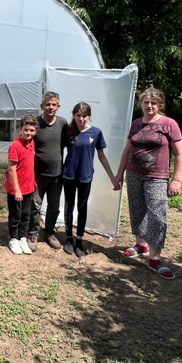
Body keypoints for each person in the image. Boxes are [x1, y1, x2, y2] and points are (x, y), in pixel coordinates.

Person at [116, 87, 182, 280]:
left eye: (153, 103)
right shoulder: (136, 124)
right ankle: (141, 245)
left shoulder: (169, 124)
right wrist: (119, 173)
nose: (149, 106)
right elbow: (127, 150)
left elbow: (180, 154)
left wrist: (176, 180)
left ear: (159, 105)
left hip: (157, 177)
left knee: (157, 215)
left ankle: (155, 258)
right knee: (137, 209)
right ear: (141, 104)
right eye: (146, 102)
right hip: (134, 174)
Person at [61, 102, 119, 257]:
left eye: (84, 116)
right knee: (69, 206)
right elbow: (56, 150)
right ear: (73, 115)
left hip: (85, 176)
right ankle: (68, 239)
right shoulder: (68, 131)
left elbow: (102, 156)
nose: (81, 119)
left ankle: (79, 240)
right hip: (69, 175)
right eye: (78, 115)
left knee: (82, 207)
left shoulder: (96, 132)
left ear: (89, 116)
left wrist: (112, 177)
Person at [28, 91, 68, 252]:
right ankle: (33, 234)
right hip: (37, 175)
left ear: (58, 106)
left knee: (54, 207)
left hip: (57, 175)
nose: (50, 107)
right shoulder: (36, 124)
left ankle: (49, 233)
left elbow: (68, 144)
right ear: (42, 106)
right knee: (35, 205)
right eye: (47, 104)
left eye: (53, 104)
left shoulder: (63, 123)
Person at [5, 114, 39, 255]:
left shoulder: (32, 143)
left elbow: (29, 165)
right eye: (26, 130)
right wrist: (17, 190)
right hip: (16, 189)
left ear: (35, 131)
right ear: (20, 129)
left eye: (31, 130)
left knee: (26, 215)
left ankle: (22, 238)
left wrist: (32, 182)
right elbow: (12, 169)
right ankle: (13, 239)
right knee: (15, 215)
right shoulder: (15, 146)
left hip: (28, 187)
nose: (28, 133)